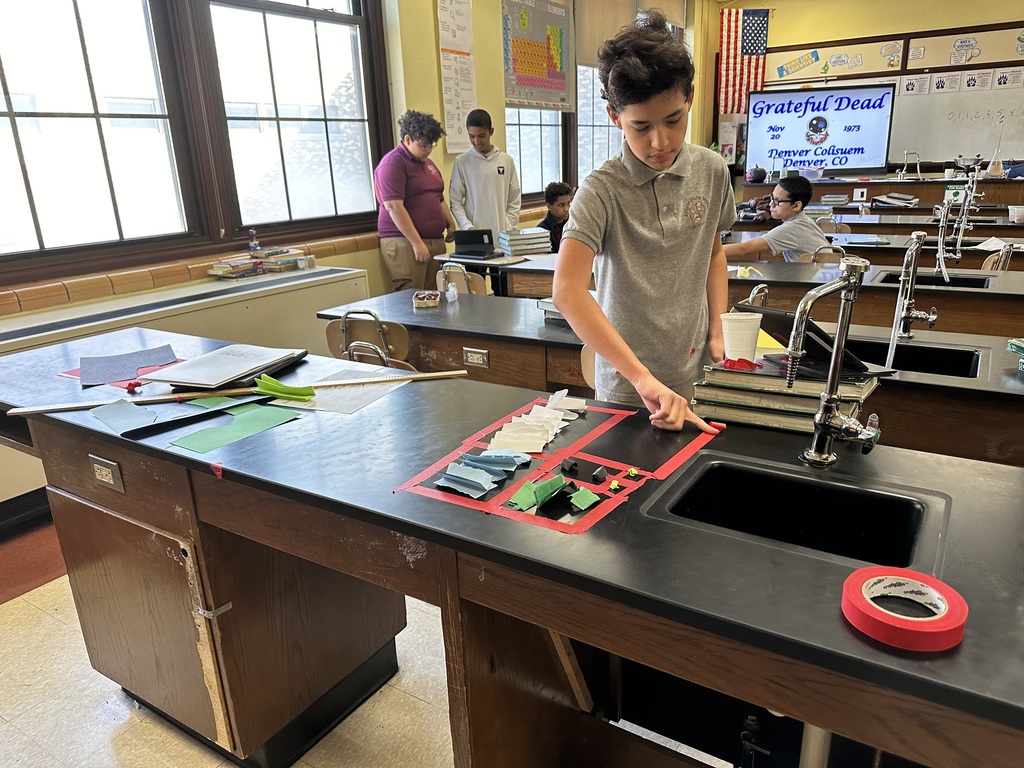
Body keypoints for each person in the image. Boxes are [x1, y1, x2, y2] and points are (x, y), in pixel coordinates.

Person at [552, 10, 734, 434]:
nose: (660, 142)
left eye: (673, 120)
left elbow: (713, 253)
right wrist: (640, 377)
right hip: (626, 384)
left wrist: (718, 330)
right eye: (641, 126)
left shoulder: (712, 171)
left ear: (689, 97)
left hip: (693, 369)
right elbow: (566, 290)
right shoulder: (601, 190)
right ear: (615, 117)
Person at [374, 110, 457, 291]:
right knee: (413, 297)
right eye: (423, 145)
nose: (428, 150)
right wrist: (416, 243)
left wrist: (451, 223)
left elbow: (438, 197)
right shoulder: (392, 164)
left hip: (433, 240)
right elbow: (394, 206)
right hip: (404, 241)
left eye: (431, 145)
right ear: (407, 140)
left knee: (435, 297)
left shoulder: (427, 163)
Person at [722, 175, 830, 262]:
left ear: (796, 206)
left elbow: (744, 249)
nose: (770, 204)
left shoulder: (792, 228)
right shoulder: (804, 221)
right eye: (772, 198)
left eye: (778, 201)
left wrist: (710, 252)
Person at [448, 109, 521, 235]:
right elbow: (455, 202)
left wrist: (508, 226)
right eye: (472, 136)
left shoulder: (506, 160)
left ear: (491, 131)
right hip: (474, 235)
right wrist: (467, 226)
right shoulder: (462, 162)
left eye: (481, 136)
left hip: (502, 235)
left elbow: (514, 198)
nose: (476, 142)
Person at [537, 181, 572, 252]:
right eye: (561, 205)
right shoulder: (541, 230)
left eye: (568, 204)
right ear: (549, 206)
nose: (566, 209)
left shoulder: (572, 224)